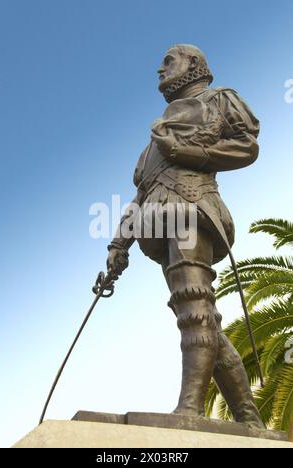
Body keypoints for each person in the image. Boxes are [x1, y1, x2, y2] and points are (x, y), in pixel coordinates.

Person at [106, 44, 264, 428]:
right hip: (160, 223)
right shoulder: (151, 144)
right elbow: (140, 194)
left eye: (168, 62)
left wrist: (187, 150)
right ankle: (249, 416)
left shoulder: (218, 100)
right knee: (202, 317)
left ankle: (189, 410)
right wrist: (118, 245)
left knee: (194, 308)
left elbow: (247, 146)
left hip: (193, 212)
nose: (159, 70)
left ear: (192, 64)